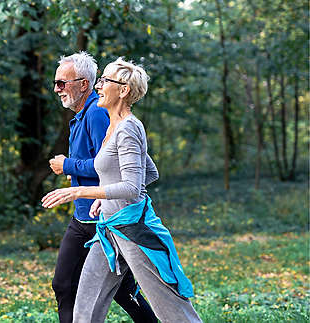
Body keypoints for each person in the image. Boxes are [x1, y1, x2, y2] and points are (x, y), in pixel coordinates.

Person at [42, 57, 202, 323]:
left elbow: (131, 186)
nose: (99, 85)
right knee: (85, 306)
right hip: (108, 229)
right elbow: (148, 172)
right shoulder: (114, 126)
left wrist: (80, 192)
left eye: (105, 80)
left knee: (172, 310)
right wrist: (105, 198)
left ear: (124, 90)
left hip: (133, 229)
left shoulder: (128, 128)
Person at [48, 52, 158, 323]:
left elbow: (109, 167)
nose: (57, 89)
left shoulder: (98, 114)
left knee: (123, 292)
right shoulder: (81, 117)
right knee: (64, 285)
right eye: (56, 83)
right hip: (84, 216)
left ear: (83, 84)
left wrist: (69, 166)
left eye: (63, 83)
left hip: (105, 217)